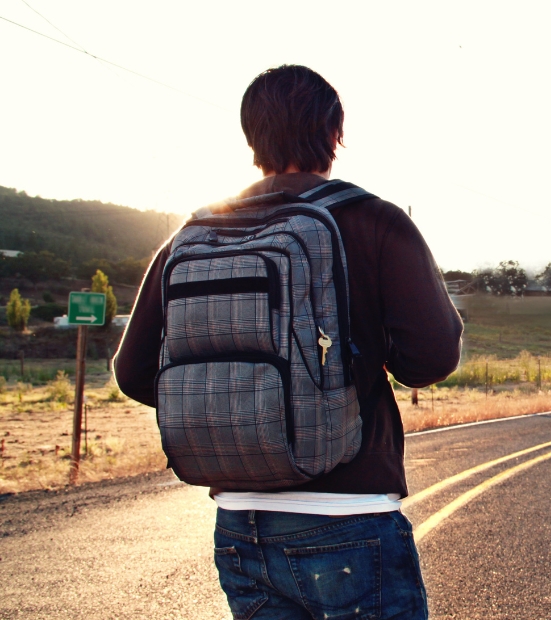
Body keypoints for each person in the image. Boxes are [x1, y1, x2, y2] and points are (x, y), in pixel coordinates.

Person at [114, 64, 462, 619]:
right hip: (349, 514)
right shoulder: (375, 220)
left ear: (252, 138)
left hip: (238, 522)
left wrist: (237, 406)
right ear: (334, 134)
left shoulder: (196, 232)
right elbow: (432, 358)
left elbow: (133, 372)